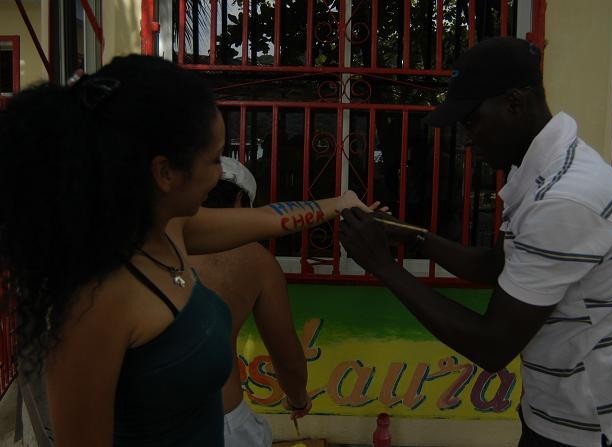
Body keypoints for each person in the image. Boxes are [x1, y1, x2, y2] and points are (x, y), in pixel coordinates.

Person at [0, 54, 371, 447]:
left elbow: (268, 219)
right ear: (165, 173)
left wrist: (340, 203)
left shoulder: (172, 229)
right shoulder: (94, 302)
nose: (220, 173)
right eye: (212, 159)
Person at [339, 37, 612, 447]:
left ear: (514, 103)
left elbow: (492, 346)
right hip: (559, 408)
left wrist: (384, 267)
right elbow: (495, 265)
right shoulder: (539, 170)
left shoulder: (565, 199)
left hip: (593, 425)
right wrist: (408, 234)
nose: (468, 139)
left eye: (472, 121)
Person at [191, 157, 311, 446]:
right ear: (240, 203)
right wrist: (298, 399)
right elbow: (287, 357)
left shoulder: (147, 244)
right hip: (222, 423)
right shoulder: (257, 260)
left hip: (137, 421)